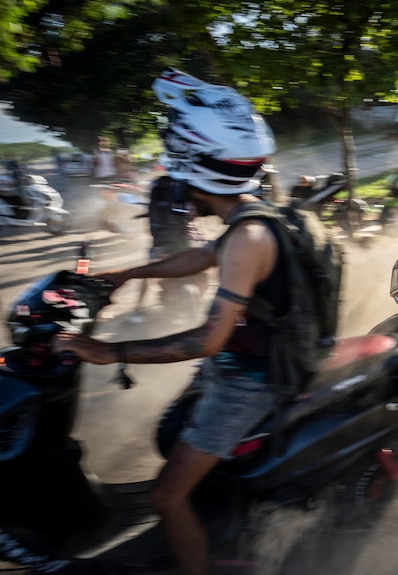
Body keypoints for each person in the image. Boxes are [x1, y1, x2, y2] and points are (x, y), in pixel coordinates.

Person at [53, 68, 282, 575]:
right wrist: (124, 273)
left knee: (166, 495)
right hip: (254, 359)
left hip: (254, 380)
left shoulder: (248, 236)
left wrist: (110, 352)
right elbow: (199, 257)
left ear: (191, 164)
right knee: (174, 428)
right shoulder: (252, 215)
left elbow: (208, 337)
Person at [128, 176, 208, 325]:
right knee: (207, 260)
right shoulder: (189, 184)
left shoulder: (157, 184)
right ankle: (207, 301)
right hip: (184, 242)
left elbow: (150, 210)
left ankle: (137, 309)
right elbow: (196, 213)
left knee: (148, 272)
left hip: (163, 243)